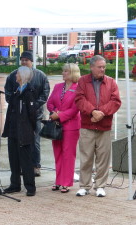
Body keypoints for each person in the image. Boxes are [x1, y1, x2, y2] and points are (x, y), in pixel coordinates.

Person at [75, 55, 121, 197]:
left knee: (103, 158)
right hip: (87, 126)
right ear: (92, 67)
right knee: (86, 157)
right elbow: (79, 99)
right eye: (100, 67)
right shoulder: (83, 81)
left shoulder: (111, 82)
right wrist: (92, 112)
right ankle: (84, 185)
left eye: (104, 67)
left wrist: (101, 113)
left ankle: (100, 186)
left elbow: (116, 101)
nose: (102, 69)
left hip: (104, 126)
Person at [4, 51, 50, 177]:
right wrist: (15, 103)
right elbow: (7, 93)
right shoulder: (13, 75)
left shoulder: (40, 75)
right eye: (22, 60)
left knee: (34, 141)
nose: (24, 62)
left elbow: (45, 93)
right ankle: (18, 167)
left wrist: (33, 106)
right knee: (17, 141)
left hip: (35, 115)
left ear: (32, 61)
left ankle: (35, 165)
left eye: (26, 60)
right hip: (17, 116)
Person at [2, 66, 37, 196]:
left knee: (26, 160)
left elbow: (32, 115)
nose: (15, 76)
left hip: (24, 131)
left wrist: (30, 129)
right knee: (14, 159)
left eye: (17, 74)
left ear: (22, 76)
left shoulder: (29, 92)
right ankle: (15, 184)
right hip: (13, 130)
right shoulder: (16, 91)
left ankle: (30, 186)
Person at [46, 63, 81, 193]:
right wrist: (54, 112)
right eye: (63, 71)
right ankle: (58, 181)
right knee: (58, 154)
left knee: (68, 155)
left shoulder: (78, 89)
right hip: (56, 125)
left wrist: (59, 115)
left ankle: (66, 182)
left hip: (71, 126)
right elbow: (49, 103)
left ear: (72, 73)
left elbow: (75, 109)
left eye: (66, 71)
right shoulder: (57, 86)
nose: (63, 73)